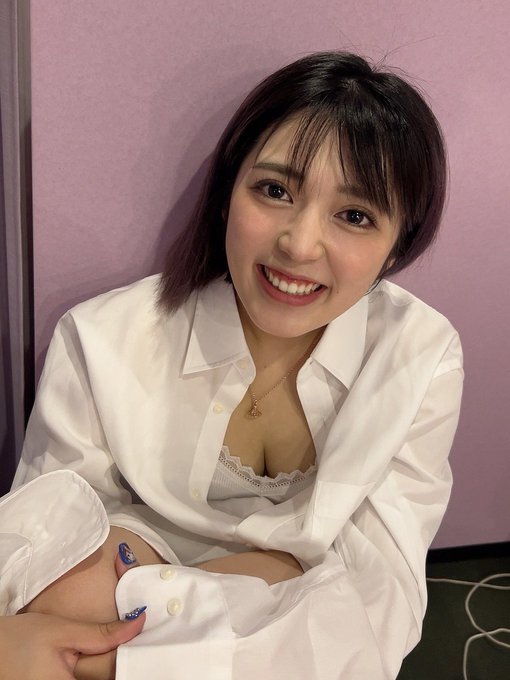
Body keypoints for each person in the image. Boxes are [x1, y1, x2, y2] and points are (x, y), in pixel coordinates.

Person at [0, 51, 463, 680]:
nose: (299, 244)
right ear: (227, 195)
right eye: (274, 191)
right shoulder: (102, 337)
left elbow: (384, 596)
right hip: (161, 583)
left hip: (240, 607)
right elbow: (43, 540)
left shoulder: (421, 355)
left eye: (354, 216)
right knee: (68, 591)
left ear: (396, 247)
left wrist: (113, 661)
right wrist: (247, 587)